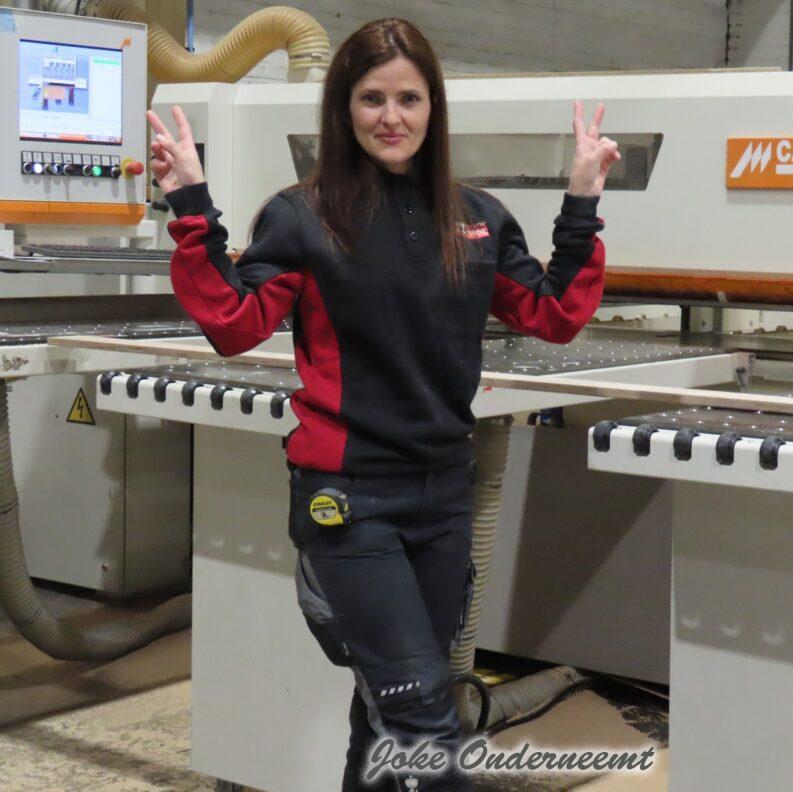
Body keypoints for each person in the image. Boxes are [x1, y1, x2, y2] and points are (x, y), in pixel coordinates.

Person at [147, 16, 619, 792]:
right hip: (348, 500)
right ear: (344, 108)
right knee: (426, 725)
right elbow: (234, 323)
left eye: (408, 98)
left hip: (443, 495)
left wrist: (582, 201)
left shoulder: (478, 219)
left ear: (433, 107)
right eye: (372, 99)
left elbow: (554, 314)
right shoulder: (303, 217)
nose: (391, 117)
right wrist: (191, 204)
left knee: (388, 715)